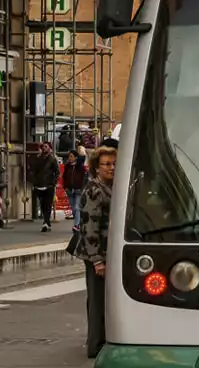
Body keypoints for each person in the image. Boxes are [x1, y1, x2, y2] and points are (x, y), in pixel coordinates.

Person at [80, 144, 117, 358]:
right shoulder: (94, 190)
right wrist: (96, 260)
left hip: (106, 250)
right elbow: (89, 225)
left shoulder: (110, 187)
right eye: (106, 164)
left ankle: (99, 340)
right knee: (96, 300)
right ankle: (95, 346)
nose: (111, 168)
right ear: (96, 167)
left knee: (102, 298)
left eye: (113, 164)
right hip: (97, 253)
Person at [28, 142, 60, 232]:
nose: (44, 148)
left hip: (49, 185)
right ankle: (47, 222)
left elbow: (57, 172)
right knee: (42, 204)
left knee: (48, 205)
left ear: (50, 148)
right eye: (43, 147)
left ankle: (46, 222)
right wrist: (34, 181)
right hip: (39, 185)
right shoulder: (38, 158)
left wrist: (53, 182)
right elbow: (33, 170)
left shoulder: (52, 159)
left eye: (46, 146)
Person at [62, 150, 88, 232]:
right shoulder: (67, 166)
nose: (69, 158)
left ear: (76, 157)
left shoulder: (81, 167)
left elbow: (84, 178)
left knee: (77, 207)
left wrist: (82, 188)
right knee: (73, 208)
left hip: (78, 190)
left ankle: (76, 225)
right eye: (69, 156)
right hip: (69, 190)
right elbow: (64, 177)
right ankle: (78, 222)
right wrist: (65, 187)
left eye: (71, 156)